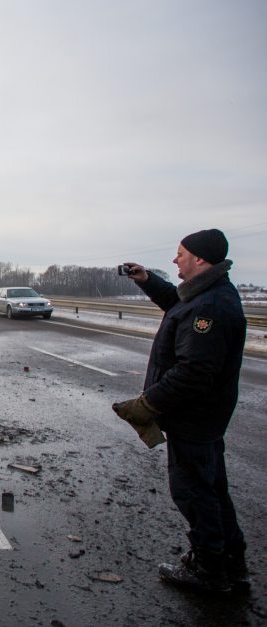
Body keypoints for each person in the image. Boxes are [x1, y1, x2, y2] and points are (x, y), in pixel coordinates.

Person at [112, 228, 248, 594]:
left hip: (194, 417)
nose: (176, 260)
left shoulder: (211, 307)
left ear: (200, 258)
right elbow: (178, 304)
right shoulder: (208, 294)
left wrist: (148, 403)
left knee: (193, 492)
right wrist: (147, 280)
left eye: (181, 254)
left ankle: (208, 570)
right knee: (213, 488)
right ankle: (232, 562)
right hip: (204, 417)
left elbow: (193, 373)